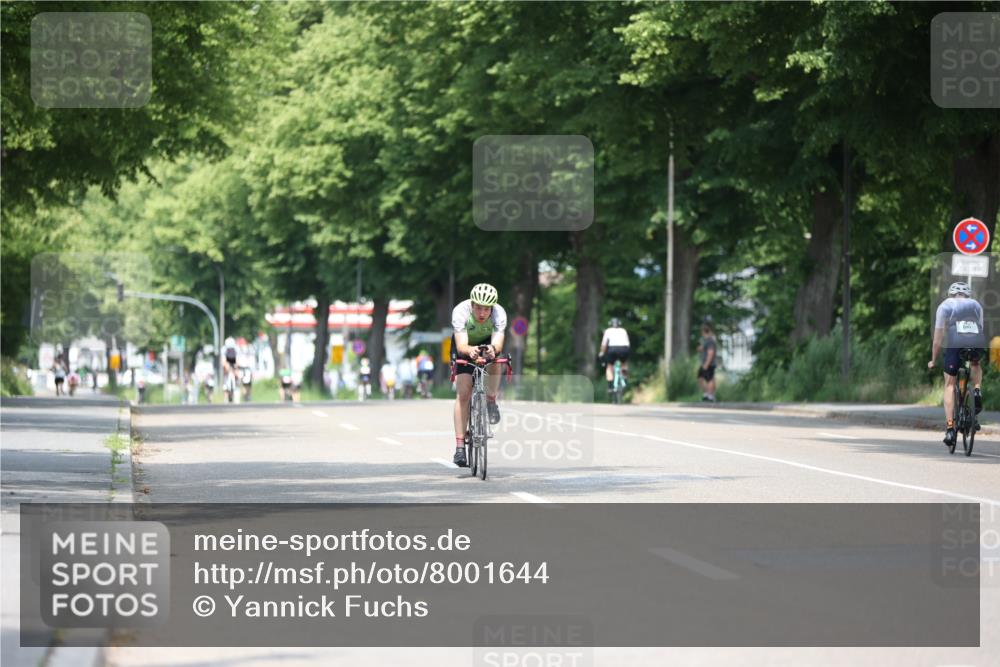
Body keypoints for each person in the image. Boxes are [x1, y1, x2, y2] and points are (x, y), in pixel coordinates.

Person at [451, 283, 507, 467]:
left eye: (486, 309)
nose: (482, 313)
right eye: (478, 308)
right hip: (465, 345)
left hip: (486, 343)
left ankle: (491, 400)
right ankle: (460, 447)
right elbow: (461, 345)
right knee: (464, 394)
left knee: (497, 360)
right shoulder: (460, 311)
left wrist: (492, 349)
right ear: (472, 305)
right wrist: (470, 351)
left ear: (492, 308)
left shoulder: (499, 314)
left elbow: (498, 343)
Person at [928, 281, 986, 449]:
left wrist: (933, 359)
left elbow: (937, 339)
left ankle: (950, 428)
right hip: (976, 339)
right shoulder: (976, 304)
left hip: (955, 341)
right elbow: (980, 328)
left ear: (951, 294)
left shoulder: (945, 306)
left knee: (949, 385)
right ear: (967, 295)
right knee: (975, 363)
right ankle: (976, 389)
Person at [599, 317, 630, 395]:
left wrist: (602, 352)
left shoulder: (608, 331)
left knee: (609, 366)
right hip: (624, 349)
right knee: (624, 363)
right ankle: (625, 378)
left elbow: (604, 344)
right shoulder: (623, 330)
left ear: (611, 324)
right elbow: (628, 343)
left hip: (612, 349)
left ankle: (610, 387)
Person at [696, 322, 717, 402]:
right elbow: (701, 349)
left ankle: (710, 396)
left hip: (708, 363)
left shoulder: (710, 340)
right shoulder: (706, 340)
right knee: (700, 378)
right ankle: (707, 394)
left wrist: (706, 364)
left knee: (709, 379)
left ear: (704, 331)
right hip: (704, 363)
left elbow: (710, 353)